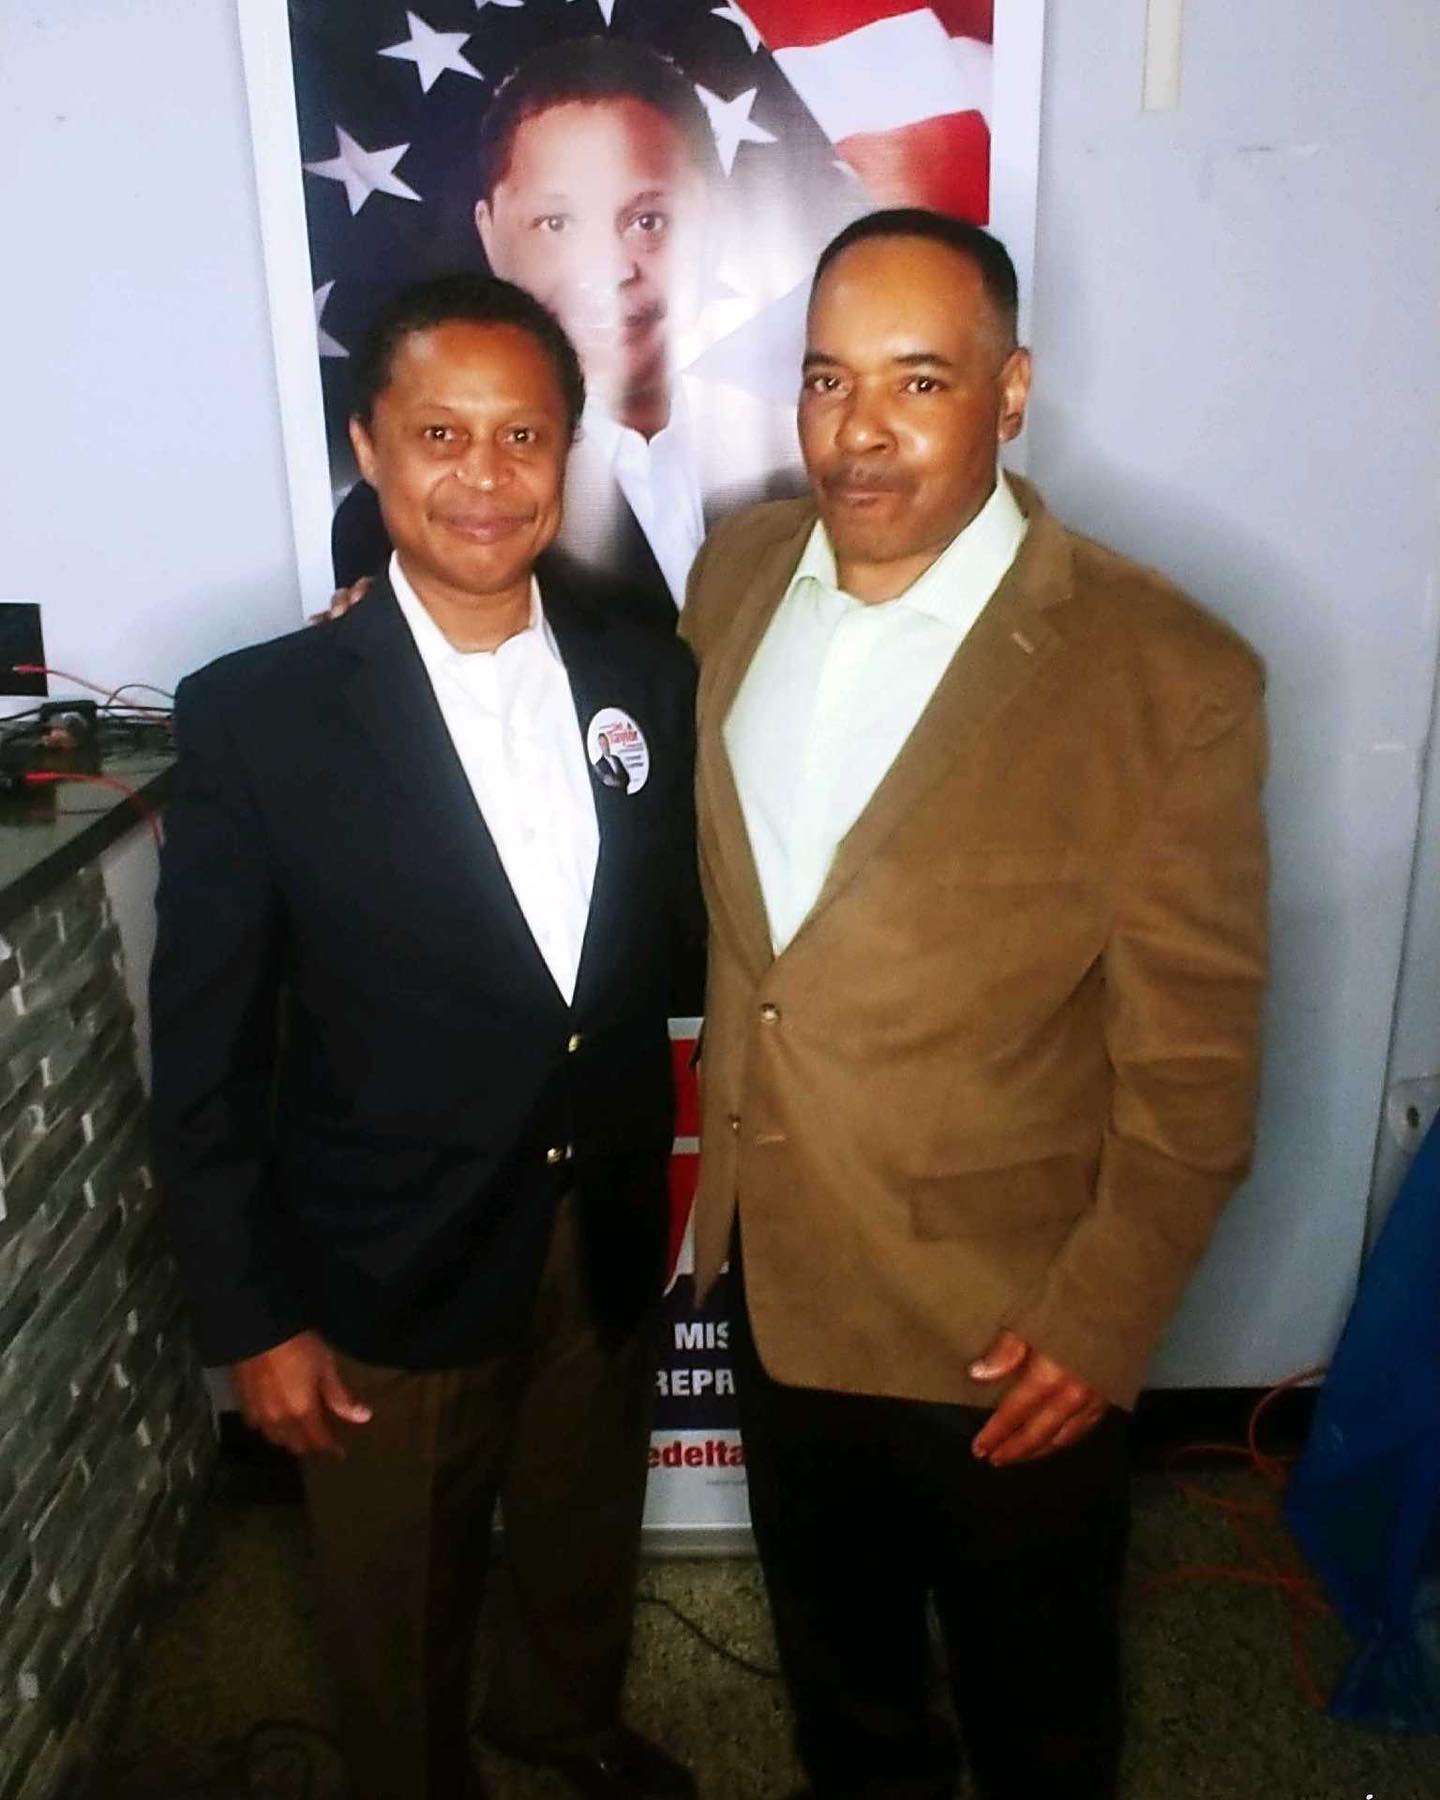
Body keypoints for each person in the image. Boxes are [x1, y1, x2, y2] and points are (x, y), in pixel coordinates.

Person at [679, 209, 1269, 1800]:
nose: (857, 431)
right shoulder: (737, 575)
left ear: (1011, 395)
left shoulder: (1166, 674)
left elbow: (1198, 1060)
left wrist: (1106, 1314)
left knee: (1039, 1715)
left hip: (1007, 1330)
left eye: (917, 381)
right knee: (846, 1697)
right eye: (826, 379)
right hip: (777, 1281)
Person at [151, 273, 700, 1800]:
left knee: (582, 1530)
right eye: (439, 434)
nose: (484, 475)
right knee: (394, 1592)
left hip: (598, 1222)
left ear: (567, 451)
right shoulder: (260, 715)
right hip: (382, 1259)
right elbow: (201, 1059)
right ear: (370, 449)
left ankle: (559, 1723)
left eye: (522, 434)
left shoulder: (647, 675)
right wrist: (251, 1319)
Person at [333, 35, 803, 627]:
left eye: (647, 220)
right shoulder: (421, 509)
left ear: (712, 224)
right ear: (490, 236)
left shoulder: (801, 460)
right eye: (556, 223)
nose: (609, 269)